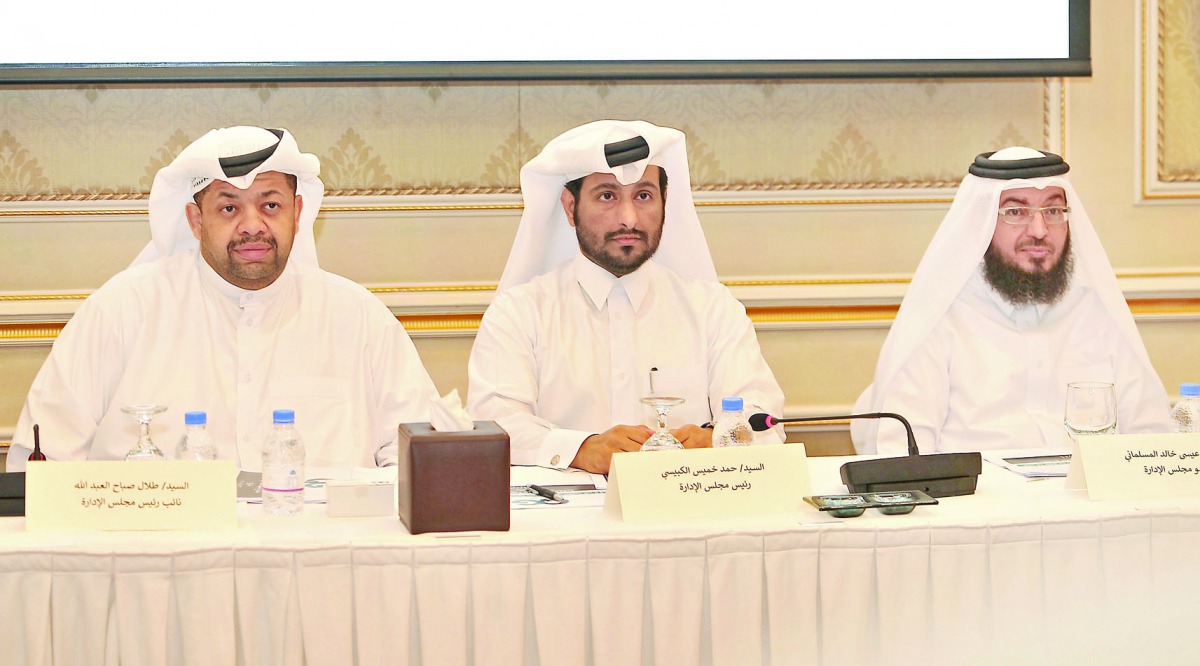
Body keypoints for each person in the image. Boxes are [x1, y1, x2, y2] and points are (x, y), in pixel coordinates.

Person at [7, 126, 439, 470]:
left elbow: (419, 457)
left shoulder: (358, 317)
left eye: (270, 205)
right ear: (195, 220)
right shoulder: (121, 310)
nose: (253, 225)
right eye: (229, 208)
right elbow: (43, 462)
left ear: (298, 212)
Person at [467, 120, 784, 473]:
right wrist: (580, 449)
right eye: (607, 196)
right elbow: (493, 423)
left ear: (665, 202)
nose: (629, 218)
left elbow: (765, 422)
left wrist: (721, 438)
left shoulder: (713, 309)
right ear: (570, 207)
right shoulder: (519, 312)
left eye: (643, 195)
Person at [854, 147, 1172, 455]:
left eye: (1052, 211)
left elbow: (1152, 439)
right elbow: (903, 456)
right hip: (976, 505)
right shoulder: (939, 320)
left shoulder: (1097, 313)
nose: (1039, 230)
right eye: (1016, 212)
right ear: (982, 222)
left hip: (1086, 501)